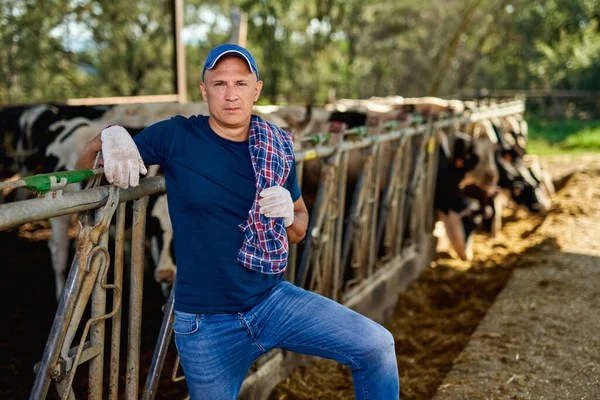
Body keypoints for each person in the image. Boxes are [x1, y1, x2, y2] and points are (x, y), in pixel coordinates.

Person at [75, 44, 399, 400]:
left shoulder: (276, 146)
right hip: (206, 324)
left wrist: (290, 213)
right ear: (204, 90)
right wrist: (104, 137)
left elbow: (299, 229)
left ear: (256, 90)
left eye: (241, 84)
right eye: (220, 84)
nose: (231, 95)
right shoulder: (177, 136)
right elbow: (86, 182)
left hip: (272, 301)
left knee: (377, 346)